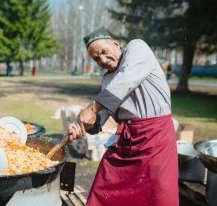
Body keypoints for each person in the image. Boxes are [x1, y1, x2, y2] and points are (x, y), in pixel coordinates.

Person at [67, 26, 178, 206]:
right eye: (96, 58)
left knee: (157, 193)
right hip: (127, 142)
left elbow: (125, 80)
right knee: (105, 185)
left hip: (156, 139)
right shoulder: (108, 80)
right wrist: (81, 127)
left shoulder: (137, 48)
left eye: (104, 52)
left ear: (116, 44)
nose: (102, 59)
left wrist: (91, 108)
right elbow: (101, 116)